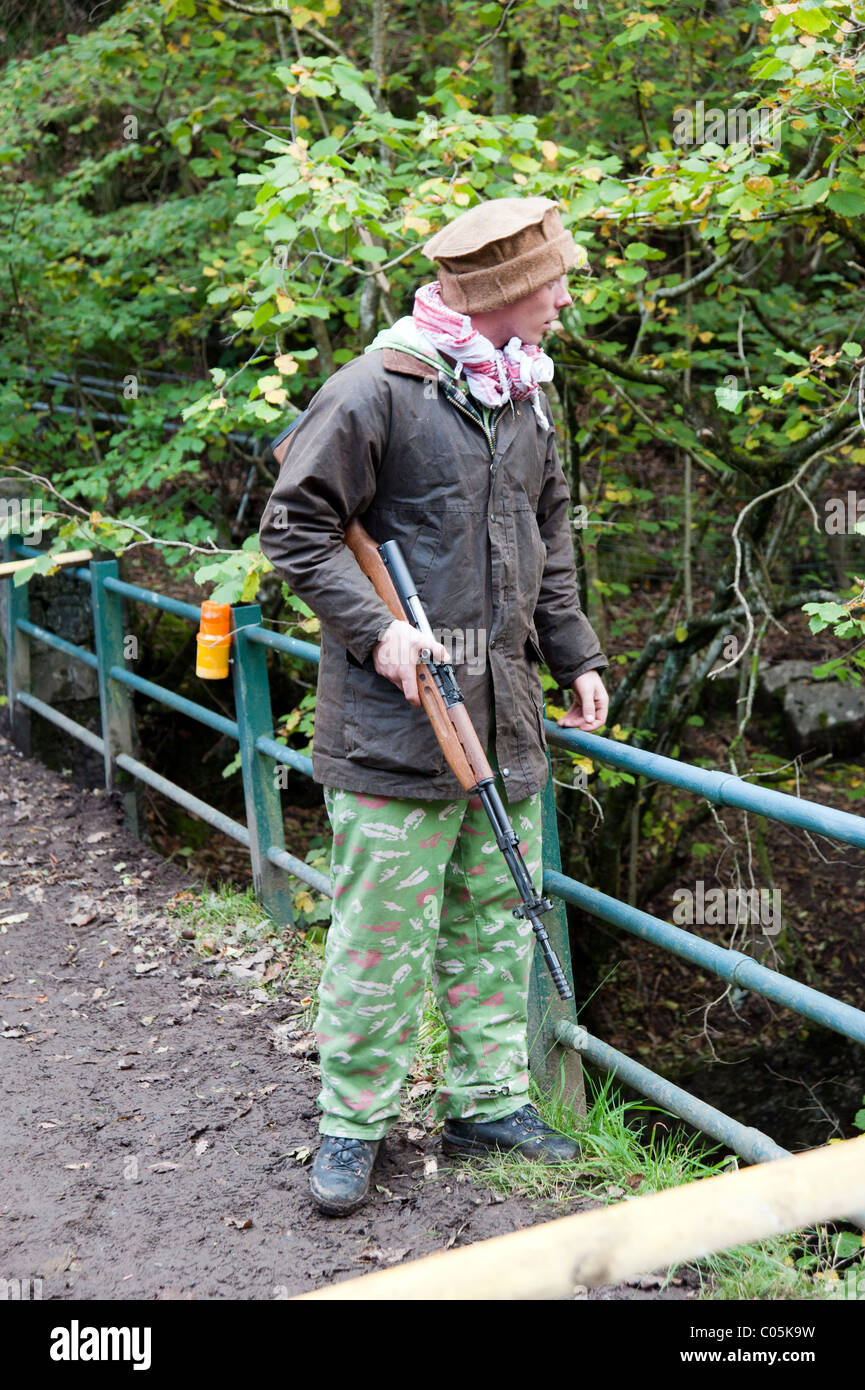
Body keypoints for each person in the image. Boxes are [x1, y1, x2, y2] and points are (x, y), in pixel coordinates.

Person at [258, 195, 609, 1216]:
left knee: (496, 918)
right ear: (503, 293)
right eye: (553, 283)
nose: (563, 299)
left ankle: (486, 1102)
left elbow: (548, 536)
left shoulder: (526, 395)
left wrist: (573, 650)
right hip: (392, 725)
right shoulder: (377, 389)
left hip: (501, 716)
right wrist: (377, 628)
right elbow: (296, 527)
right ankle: (351, 1125)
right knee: (378, 936)